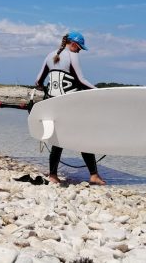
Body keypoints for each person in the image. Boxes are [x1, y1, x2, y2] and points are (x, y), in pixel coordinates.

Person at [35, 31, 106, 185]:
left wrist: (47, 91)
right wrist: (98, 92)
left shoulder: (49, 56)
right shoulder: (72, 55)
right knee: (83, 138)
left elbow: (38, 81)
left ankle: (53, 176)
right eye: (79, 48)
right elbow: (80, 81)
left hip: (53, 105)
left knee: (57, 141)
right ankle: (93, 175)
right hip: (69, 105)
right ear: (73, 44)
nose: (79, 51)